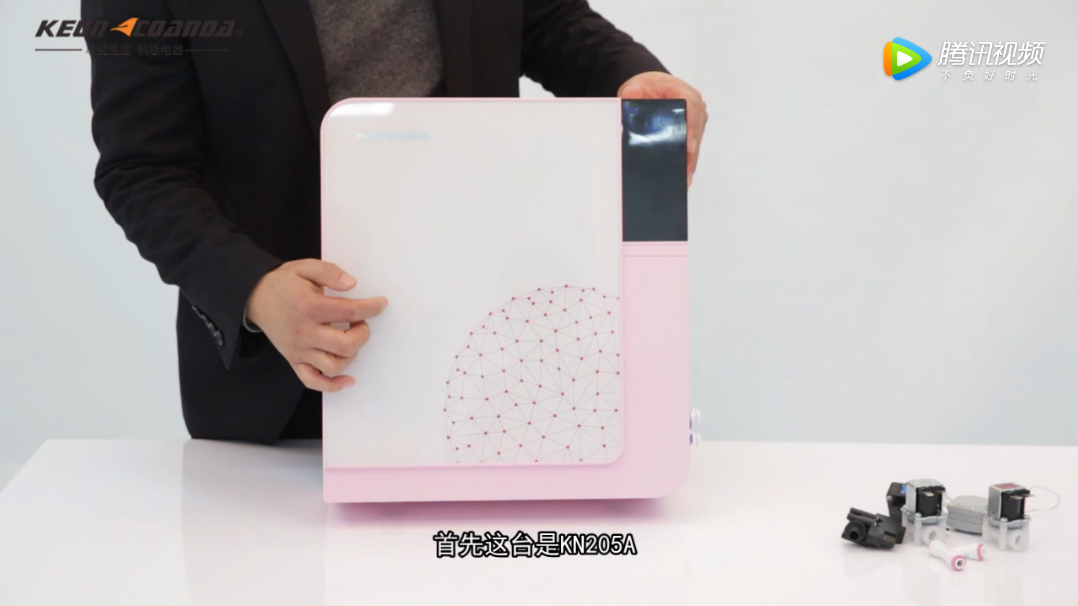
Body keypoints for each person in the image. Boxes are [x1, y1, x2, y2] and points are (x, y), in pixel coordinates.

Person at [82, 0, 708, 443]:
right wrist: (254, 290)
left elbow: (546, 20)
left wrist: (629, 74)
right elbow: (142, 168)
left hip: (494, 357)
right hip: (285, 392)